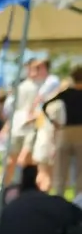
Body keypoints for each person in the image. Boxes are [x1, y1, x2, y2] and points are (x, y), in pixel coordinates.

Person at [44, 66, 82, 196]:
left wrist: (54, 122)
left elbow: (45, 105)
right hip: (79, 133)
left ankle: (59, 196)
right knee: (80, 172)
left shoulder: (67, 93)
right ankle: (79, 199)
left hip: (65, 132)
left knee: (61, 170)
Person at [30, 58, 61, 191]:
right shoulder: (45, 83)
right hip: (44, 129)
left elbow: (38, 101)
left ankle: (42, 197)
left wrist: (31, 112)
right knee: (44, 170)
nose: (34, 72)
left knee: (45, 170)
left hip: (47, 130)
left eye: (38, 68)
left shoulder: (51, 81)